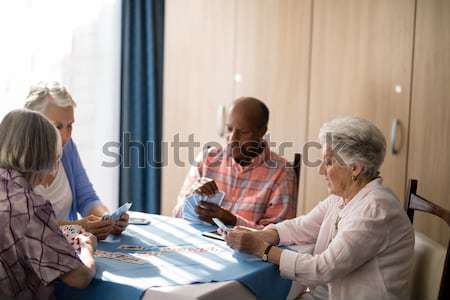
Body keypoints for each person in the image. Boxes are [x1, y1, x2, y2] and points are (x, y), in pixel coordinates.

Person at [225, 116, 415, 300]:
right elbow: (302, 226)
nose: (321, 170)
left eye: (329, 162)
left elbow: (322, 269)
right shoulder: (342, 198)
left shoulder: (375, 210)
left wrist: (261, 249)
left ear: (354, 168)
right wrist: (265, 235)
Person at [0, 109, 97, 299]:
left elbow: (29, 235)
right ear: (46, 156)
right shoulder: (30, 205)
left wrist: (73, 229)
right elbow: (79, 277)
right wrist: (87, 247)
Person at [24, 81, 128, 240]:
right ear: (33, 124)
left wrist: (107, 220)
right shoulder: (15, 162)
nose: (66, 136)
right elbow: (28, 226)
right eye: (57, 126)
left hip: (70, 248)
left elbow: (87, 199)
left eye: (70, 125)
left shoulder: (67, 148)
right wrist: (79, 227)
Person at [173, 97, 297, 229]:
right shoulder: (207, 159)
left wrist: (232, 221)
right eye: (229, 129)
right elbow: (176, 215)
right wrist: (193, 196)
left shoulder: (282, 174)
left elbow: (278, 236)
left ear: (262, 132)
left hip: (244, 249)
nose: (232, 139)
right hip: (199, 245)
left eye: (243, 132)